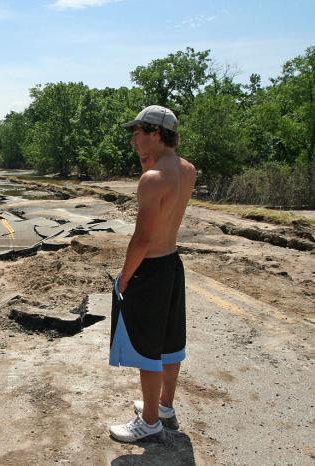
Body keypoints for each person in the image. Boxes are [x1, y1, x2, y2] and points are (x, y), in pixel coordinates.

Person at [108, 105, 196, 443]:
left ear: (155, 133)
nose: (133, 140)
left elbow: (142, 239)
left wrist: (126, 277)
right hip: (173, 264)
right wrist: (149, 158)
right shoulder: (187, 170)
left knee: (147, 347)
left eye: (138, 132)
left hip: (151, 269)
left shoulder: (152, 179)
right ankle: (164, 407)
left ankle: (148, 423)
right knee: (170, 342)